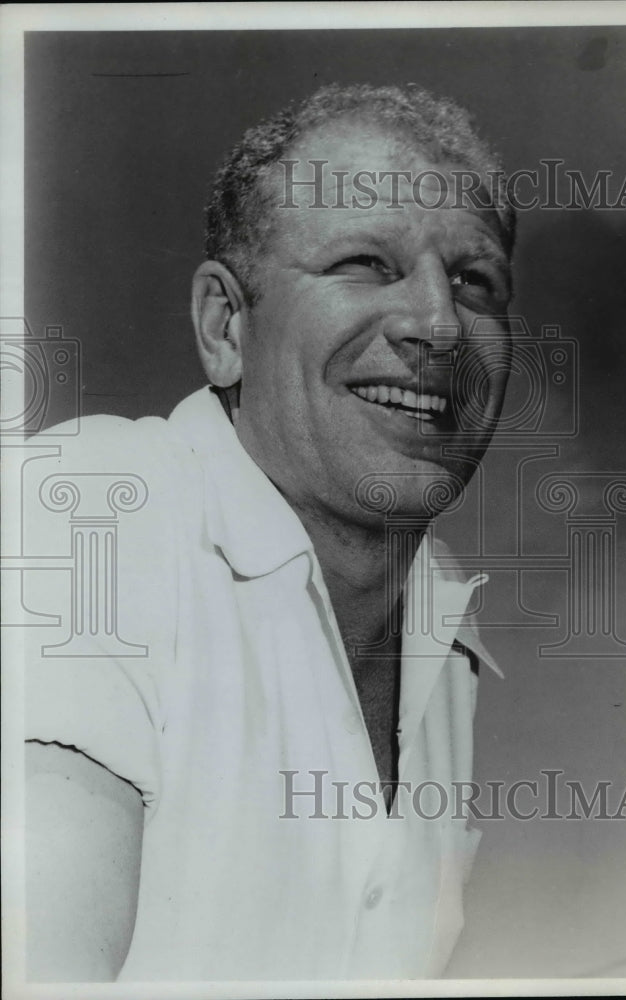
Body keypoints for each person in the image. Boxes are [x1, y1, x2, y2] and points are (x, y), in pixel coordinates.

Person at [24, 83, 516, 982]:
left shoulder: (442, 625)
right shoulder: (92, 509)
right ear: (226, 327)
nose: (440, 324)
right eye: (366, 262)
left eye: (476, 280)